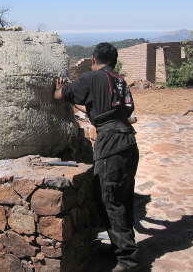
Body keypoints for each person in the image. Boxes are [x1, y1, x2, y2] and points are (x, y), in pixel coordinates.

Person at [54, 42, 140, 272]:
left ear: (93, 60)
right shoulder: (120, 81)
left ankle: (127, 260)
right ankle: (118, 247)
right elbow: (103, 112)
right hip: (129, 142)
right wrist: (79, 106)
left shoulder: (92, 78)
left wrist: (60, 89)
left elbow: (60, 93)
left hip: (111, 144)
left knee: (111, 199)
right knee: (122, 197)